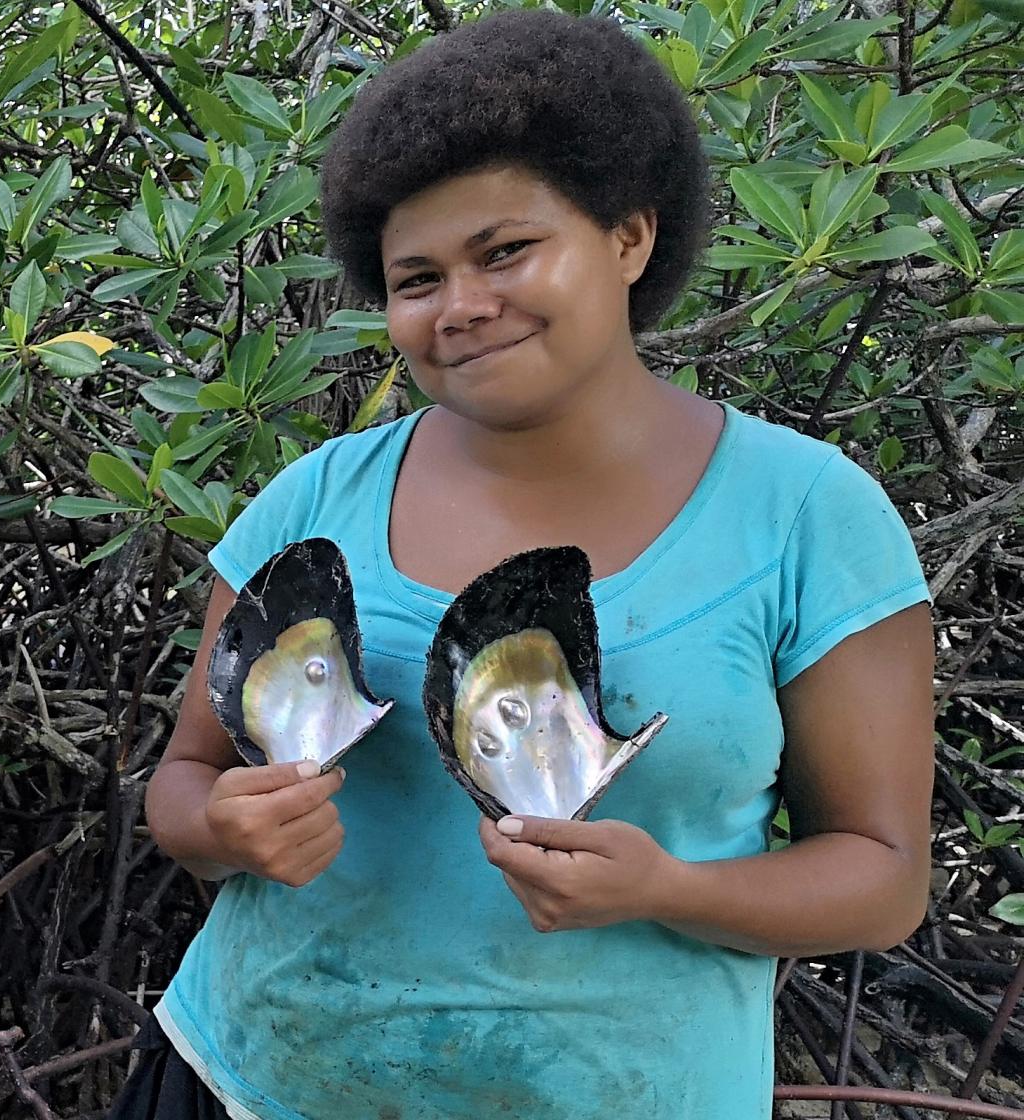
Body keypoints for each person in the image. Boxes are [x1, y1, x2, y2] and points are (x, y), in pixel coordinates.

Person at [134, 11, 934, 1117]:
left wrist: (667, 888)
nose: (460, 306)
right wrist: (221, 827)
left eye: (505, 251)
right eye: (415, 277)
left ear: (629, 237)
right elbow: (181, 782)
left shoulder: (805, 515)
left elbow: (883, 877)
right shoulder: (316, 498)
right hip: (254, 1081)